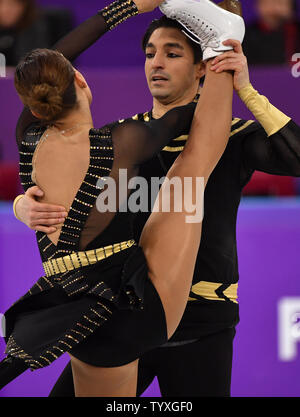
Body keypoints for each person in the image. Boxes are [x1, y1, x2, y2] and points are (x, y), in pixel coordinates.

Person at [14, 1, 300, 398]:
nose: (157, 63)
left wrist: (246, 91)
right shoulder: (120, 139)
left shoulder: (233, 136)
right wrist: (24, 205)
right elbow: (58, 183)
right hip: (124, 305)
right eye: (150, 54)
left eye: (172, 53)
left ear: (202, 67)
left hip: (199, 321)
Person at [0, 0, 72, 66]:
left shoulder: (35, 26)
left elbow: (33, 66)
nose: (4, 10)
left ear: (24, 7)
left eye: (11, 5)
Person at [243, 0, 300, 65]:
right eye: (267, 3)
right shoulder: (246, 36)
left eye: (280, 3)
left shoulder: (295, 32)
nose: (273, 9)